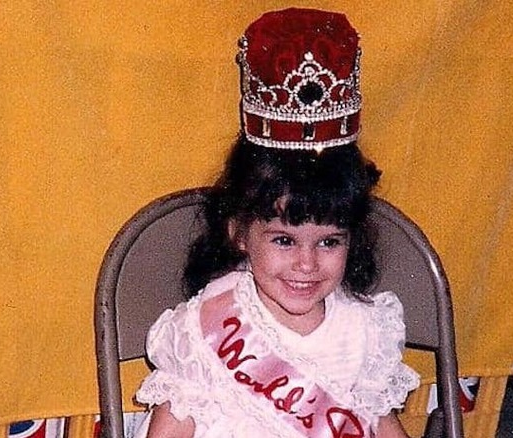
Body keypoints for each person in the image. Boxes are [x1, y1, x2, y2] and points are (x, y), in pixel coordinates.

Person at [134, 8, 419, 438]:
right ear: (239, 233)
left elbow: (379, 422)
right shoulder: (208, 323)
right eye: (285, 240)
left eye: (329, 242)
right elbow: (172, 425)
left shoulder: (365, 330)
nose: (307, 264)